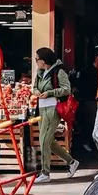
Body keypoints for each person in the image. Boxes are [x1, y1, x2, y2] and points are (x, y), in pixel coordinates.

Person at [33, 47, 80, 182]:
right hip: (41, 108)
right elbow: (35, 86)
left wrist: (50, 93)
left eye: (37, 59)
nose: (36, 61)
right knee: (49, 141)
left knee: (43, 140)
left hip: (53, 108)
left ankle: (45, 173)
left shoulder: (59, 71)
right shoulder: (40, 72)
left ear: (44, 60)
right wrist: (36, 91)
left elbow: (66, 89)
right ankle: (71, 162)